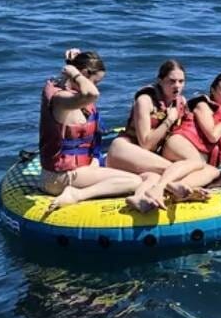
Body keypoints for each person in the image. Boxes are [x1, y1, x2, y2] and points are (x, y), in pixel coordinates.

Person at [39, 48, 165, 212]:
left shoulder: (75, 90)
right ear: (83, 75)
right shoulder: (61, 100)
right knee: (134, 181)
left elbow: (80, 85)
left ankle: (139, 197)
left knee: (151, 175)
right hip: (60, 177)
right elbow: (91, 94)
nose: (96, 86)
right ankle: (76, 195)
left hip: (86, 166)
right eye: (95, 81)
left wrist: (72, 67)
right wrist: (75, 73)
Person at [106, 60, 219, 209]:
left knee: (211, 171)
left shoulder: (180, 102)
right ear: (160, 81)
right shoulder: (145, 101)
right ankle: (169, 188)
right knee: (184, 167)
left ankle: (157, 192)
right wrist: (169, 119)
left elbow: (193, 128)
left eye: (181, 81)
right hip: (125, 151)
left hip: (150, 160)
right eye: (171, 81)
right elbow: (145, 144)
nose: (177, 86)